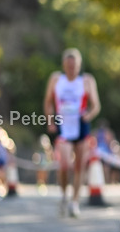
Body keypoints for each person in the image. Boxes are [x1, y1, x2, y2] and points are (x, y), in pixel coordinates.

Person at [43, 48, 101, 218]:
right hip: (63, 125)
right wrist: (50, 121)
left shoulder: (87, 80)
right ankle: (63, 194)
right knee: (64, 164)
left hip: (81, 125)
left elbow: (96, 105)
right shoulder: (56, 79)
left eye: (74, 66)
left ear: (79, 65)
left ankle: (74, 202)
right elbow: (48, 102)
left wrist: (88, 115)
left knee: (80, 166)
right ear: (64, 65)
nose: (71, 69)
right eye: (69, 66)